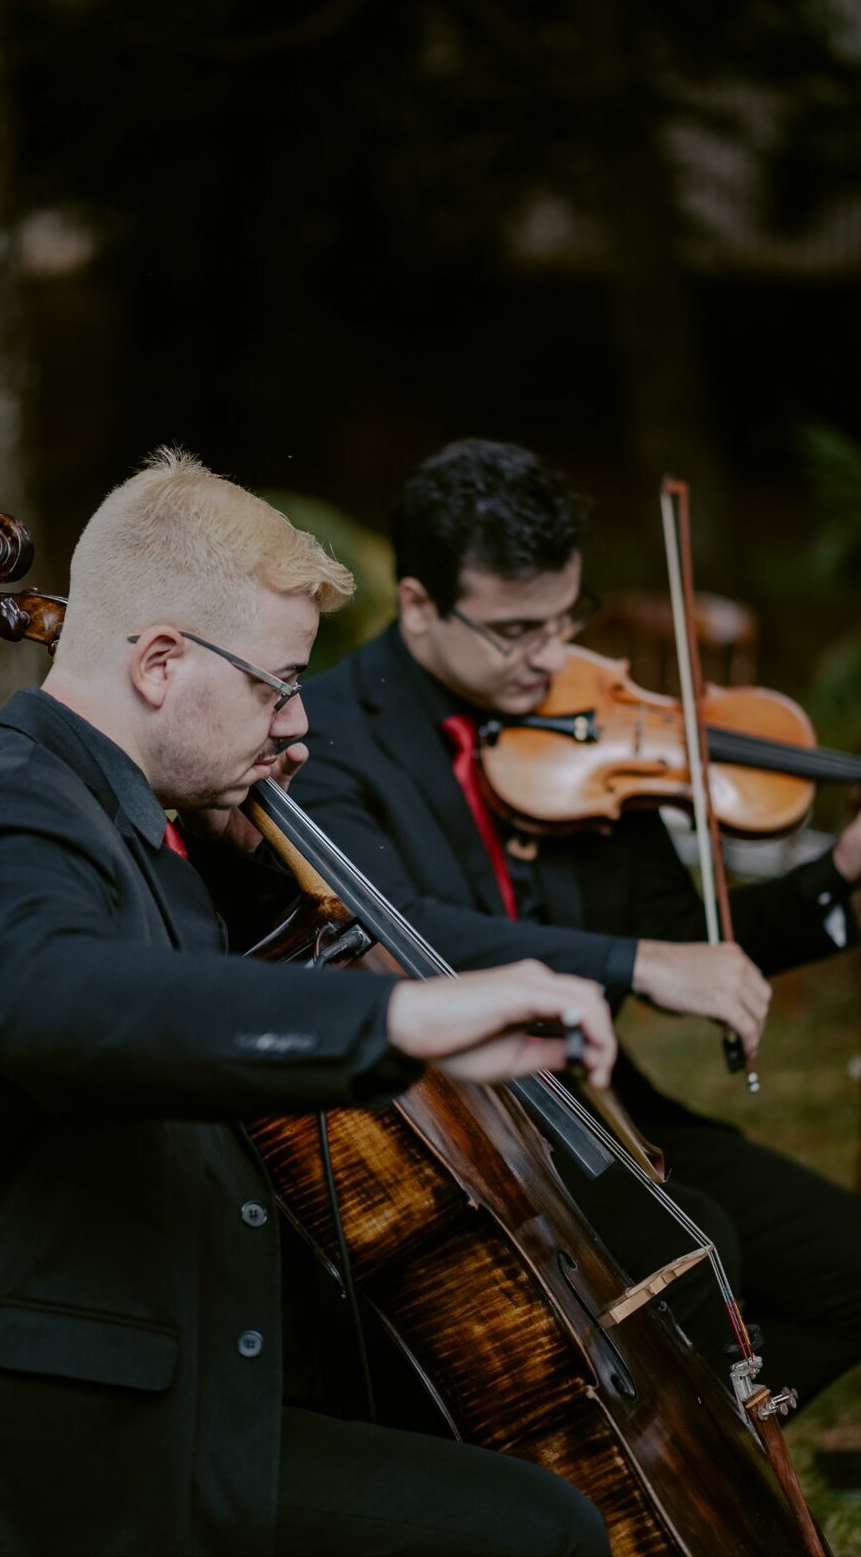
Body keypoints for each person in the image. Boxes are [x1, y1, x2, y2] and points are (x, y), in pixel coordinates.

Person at [0, 447, 617, 1557]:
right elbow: (58, 1002)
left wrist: (249, 856)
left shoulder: (135, 821)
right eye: (276, 683)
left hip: (189, 1390)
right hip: (61, 1443)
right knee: (539, 1533)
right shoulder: (3, 814)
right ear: (159, 661)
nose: (296, 724)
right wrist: (399, 1019)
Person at [293, 436, 861, 1408]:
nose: (554, 655)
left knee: (845, 1267)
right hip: (466, 1128)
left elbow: (685, 942)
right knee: (697, 1253)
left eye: (567, 617)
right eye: (516, 631)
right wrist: (630, 961)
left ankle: (716, 1431)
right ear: (420, 605)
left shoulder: (585, 719)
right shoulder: (328, 740)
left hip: (603, 1105)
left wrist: (836, 878)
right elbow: (399, 935)